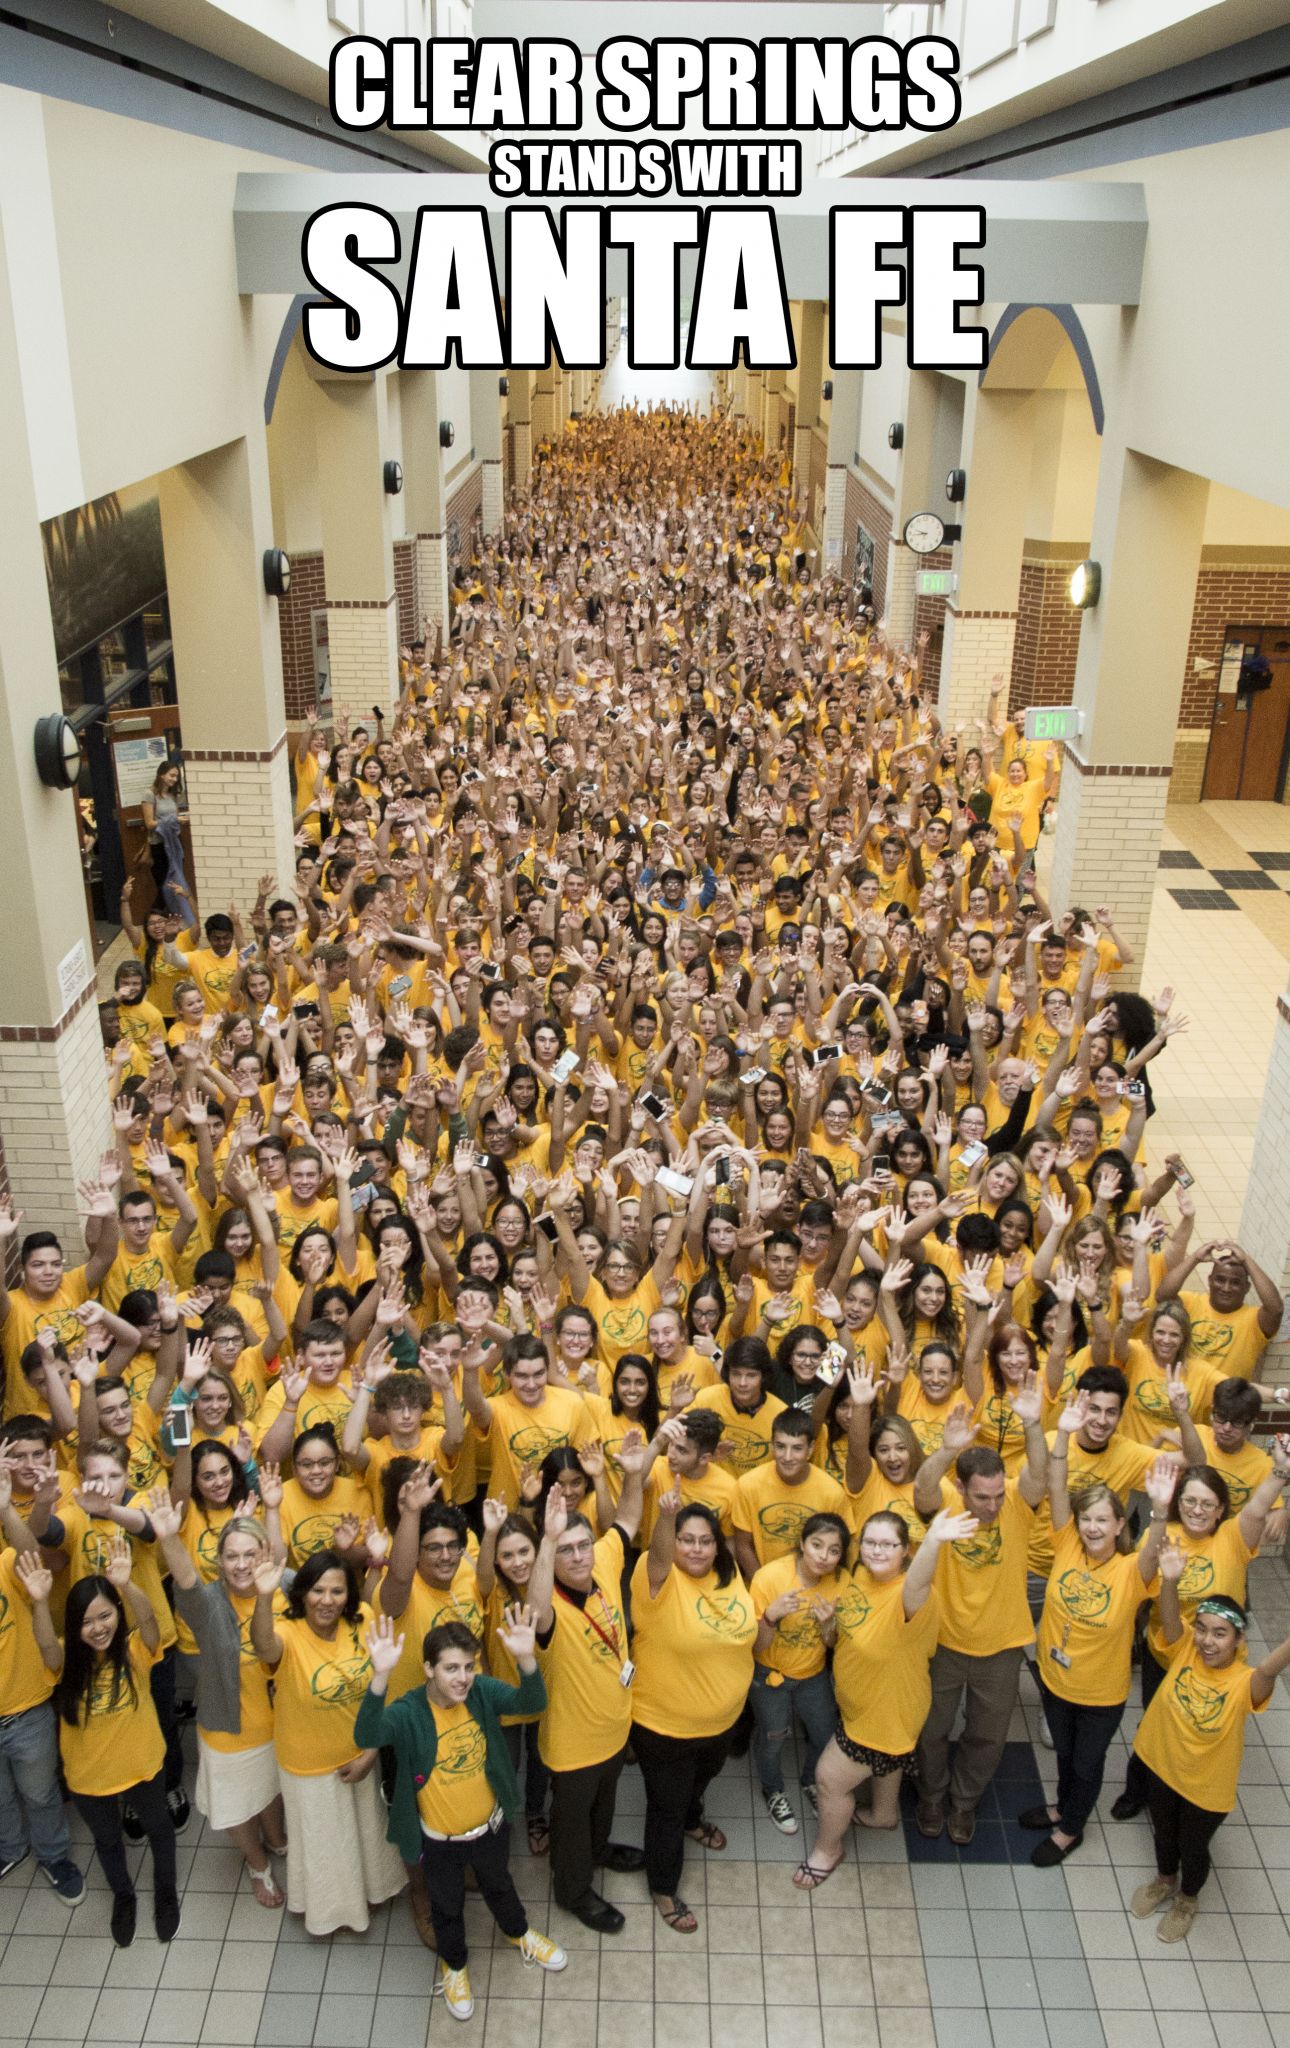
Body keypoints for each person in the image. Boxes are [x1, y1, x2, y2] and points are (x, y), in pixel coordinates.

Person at [356, 1611, 567, 2020]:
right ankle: (454, 1967)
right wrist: (379, 1677)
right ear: (428, 1669)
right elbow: (367, 1736)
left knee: (500, 1886)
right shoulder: (409, 1711)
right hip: (438, 1841)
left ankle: (518, 1932)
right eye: (451, 1668)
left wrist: (527, 1661)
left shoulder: (482, 1693)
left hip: (489, 1826)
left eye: (469, 1667)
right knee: (446, 1906)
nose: (462, 1678)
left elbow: (533, 1703)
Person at [1018, 1397, 1176, 1866]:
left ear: (1118, 1526)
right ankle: (1061, 1806)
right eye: (1087, 1519)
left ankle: (1071, 1828)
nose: (1091, 1527)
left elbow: (1152, 1549)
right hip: (1054, 1676)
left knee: (1086, 1763)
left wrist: (1162, 1511)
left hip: (1099, 1694)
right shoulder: (1066, 1542)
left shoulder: (1132, 1571)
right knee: (1064, 1755)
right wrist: (1063, 1434)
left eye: (1102, 1520)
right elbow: (1059, 1488)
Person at [1129, 1519, 1290, 1944]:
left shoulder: (1245, 1681)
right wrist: (1170, 1580)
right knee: (1163, 1832)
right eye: (1202, 1629)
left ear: (1239, 1642)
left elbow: (1272, 1667)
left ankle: (1187, 1898)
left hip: (1206, 1787)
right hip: (1162, 1765)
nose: (1207, 1641)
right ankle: (1164, 1879)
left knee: (1193, 1846)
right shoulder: (1183, 1649)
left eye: (1220, 1634)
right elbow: (1167, 1618)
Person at [793, 1507, 971, 1887]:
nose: (876, 1550)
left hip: (884, 1717)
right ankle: (883, 1815)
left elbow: (919, 1581)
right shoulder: (861, 1577)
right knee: (887, 1765)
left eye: (888, 1545)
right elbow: (849, 1636)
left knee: (829, 1780)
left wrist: (935, 1541)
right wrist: (828, 1628)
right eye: (870, 1542)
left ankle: (828, 1850)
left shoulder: (912, 1597)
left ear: (906, 1551)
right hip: (861, 1705)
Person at [911, 1376, 1049, 1844]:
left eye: (997, 1496)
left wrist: (1033, 1425)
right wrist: (948, 1449)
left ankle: (964, 1804)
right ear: (962, 1489)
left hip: (1002, 1646)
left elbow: (1038, 1474)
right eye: (981, 1497)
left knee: (987, 1736)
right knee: (931, 1729)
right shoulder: (946, 1504)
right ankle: (931, 1795)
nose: (992, 1506)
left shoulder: (1016, 1504)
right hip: (943, 1643)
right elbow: (923, 1487)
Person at [249, 1547, 405, 1936]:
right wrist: (264, 1595)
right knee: (326, 1846)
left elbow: (380, 1685)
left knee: (366, 1832)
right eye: (318, 1591)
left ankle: (373, 1891)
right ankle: (333, 1912)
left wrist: (371, 1752)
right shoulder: (287, 1631)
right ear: (302, 1593)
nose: (327, 1601)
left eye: (337, 1592)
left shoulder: (364, 1620)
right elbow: (264, 1646)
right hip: (309, 1765)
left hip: (360, 1754)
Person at [145, 1488, 287, 1909]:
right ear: (220, 1563)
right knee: (238, 1807)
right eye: (232, 1556)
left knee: (271, 1792)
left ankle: (277, 1837)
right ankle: (257, 1863)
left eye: (251, 1554)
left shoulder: (284, 1589)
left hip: (281, 1727)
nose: (242, 1565)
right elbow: (186, 1584)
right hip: (230, 1733)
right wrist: (170, 1538)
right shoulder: (210, 1604)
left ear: (266, 1554)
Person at [529, 1436, 648, 1933]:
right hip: (572, 1745)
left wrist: (634, 1473)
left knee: (607, 1803)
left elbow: (627, 1522)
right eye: (566, 1550)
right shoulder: (547, 1607)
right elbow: (534, 1611)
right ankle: (574, 1889)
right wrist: (548, 1541)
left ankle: (600, 1851)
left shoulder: (604, 1559)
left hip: (614, 1729)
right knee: (572, 1823)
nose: (579, 1557)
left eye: (582, 1546)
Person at [629, 1495, 757, 1932]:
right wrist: (666, 1517)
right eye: (687, 1540)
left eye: (706, 1540)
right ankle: (663, 1887)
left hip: (722, 1721)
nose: (697, 1549)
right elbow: (661, 1553)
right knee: (666, 1806)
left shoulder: (729, 1573)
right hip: (664, 1727)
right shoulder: (657, 1579)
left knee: (701, 1781)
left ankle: (692, 1818)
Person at [53, 1534, 178, 1947]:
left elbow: (151, 1628)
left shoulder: (132, 1651)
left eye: (104, 1617)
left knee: (160, 1830)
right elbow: (44, 1646)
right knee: (107, 1842)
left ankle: (165, 1895)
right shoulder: (63, 1661)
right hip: (90, 1778)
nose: (97, 1628)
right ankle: (124, 1897)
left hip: (143, 1764)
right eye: (86, 1622)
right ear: (74, 1628)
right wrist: (39, 1603)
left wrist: (126, 1585)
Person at [749, 1511, 849, 1835]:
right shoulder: (768, 1578)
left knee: (824, 1735)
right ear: (802, 1544)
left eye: (833, 1550)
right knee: (773, 1737)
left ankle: (811, 1782)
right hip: (770, 1675)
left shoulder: (842, 1582)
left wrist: (827, 1626)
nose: (823, 1556)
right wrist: (770, 1617)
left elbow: (833, 1643)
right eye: (816, 1545)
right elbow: (754, 1648)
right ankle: (773, 1789)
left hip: (814, 1675)